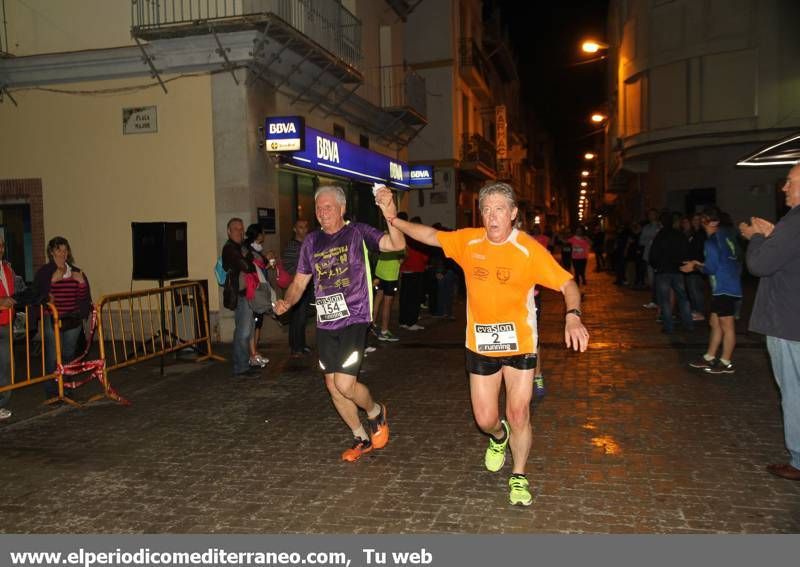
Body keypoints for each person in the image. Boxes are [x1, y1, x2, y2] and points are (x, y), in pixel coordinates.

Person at [387, 182, 589, 506]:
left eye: (499, 209)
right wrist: (393, 219)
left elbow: (568, 283)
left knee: (519, 411)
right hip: (481, 346)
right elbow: (429, 236)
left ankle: (519, 475)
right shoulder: (468, 241)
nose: (492, 216)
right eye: (486, 209)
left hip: (520, 344)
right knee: (485, 419)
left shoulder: (528, 249)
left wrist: (573, 316)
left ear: (512, 214)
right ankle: (499, 437)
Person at [274, 185, 404, 462]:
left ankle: (375, 412)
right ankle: (360, 437)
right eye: (318, 209)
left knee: (345, 384)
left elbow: (397, 245)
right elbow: (299, 283)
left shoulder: (357, 232)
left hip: (355, 317)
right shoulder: (311, 242)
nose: (322, 213)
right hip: (326, 321)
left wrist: (389, 212)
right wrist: (287, 301)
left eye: (328, 207)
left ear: (342, 209)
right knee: (332, 386)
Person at [740, 162, 800, 481]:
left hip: (789, 322)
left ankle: (799, 459)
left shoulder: (797, 220)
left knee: (793, 391)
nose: (784, 187)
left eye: (789, 181)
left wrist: (757, 237)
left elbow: (760, 265)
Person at [682, 206, 742, 374]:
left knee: (727, 326)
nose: (702, 225)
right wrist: (697, 263)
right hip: (726, 285)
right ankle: (709, 356)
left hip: (724, 287)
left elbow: (711, 268)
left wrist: (694, 266)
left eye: (704, 221)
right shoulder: (727, 237)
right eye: (702, 221)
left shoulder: (712, 241)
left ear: (714, 222)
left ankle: (726, 362)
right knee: (714, 323)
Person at [33, 236, 92, 399]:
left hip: (72, 320)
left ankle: (65, 387)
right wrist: (53, 280)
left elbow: (83, 297)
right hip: (52, 319)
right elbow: (40, 295)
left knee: (68, 355)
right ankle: (52, 391)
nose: (62, 253)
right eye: (59, 250)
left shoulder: (75, 271)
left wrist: (81, 284)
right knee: (52, 356)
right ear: (51, 252)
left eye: (65, 250)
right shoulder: (45, 272)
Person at [221, 218, 260, 378]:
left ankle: (244, 363)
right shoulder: (230, 248)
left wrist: (251, 261)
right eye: (235, 229)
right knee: (243, 332)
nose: (239, 231)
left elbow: (255, 260)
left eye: (241, 229)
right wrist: (250, 262)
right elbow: (247, 265)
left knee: (248, 330)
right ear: (229, 232)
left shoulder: (241, 247)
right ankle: (240, 367)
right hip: (240, 295)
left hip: (247, 293)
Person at [649, 211, 694, 334]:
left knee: (665, 300)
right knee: (683, 298)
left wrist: (656, 266)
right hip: (677, 270)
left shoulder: (660, 236)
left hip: (663, 271)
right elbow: (686, 251)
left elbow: (653, 255)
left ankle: (668, 326)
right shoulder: (679, 235)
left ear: (661, 223)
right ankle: (688, 324)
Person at [282, 219, 313, 358]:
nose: (304, 230)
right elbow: (288, 265)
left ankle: (301, 344)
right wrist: (299, 277)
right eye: (300, 227)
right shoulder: (292, 246)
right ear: (295, 229)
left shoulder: (307, 244)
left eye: (305, 227)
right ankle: (296, 347)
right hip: (296, 285)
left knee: (302, 317)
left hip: (306, 285)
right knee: (297, 317)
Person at [243, 223, 271, 368]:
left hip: (259, 287)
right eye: (263, 232)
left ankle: (255, 352)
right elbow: (257, 265)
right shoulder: (250, 250)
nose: (264, 235)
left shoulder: (256, 249)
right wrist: (266, 260)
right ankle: (252, 354)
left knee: (258, 322)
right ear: (258, 234)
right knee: (254, 322)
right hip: (254, 289)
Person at [398, 214, 429, 331]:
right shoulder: (418, 237)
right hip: (416, 269)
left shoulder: (405, 236)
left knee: (405, 297)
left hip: (405, 270)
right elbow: (423, 256)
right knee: (414, 298)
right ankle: (411, 322)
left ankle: (403, 321)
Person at [0, 236, 17, 419]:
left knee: (5, 366)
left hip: (5, 323)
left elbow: (12, 293)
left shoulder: (7, 268)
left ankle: (1, 402)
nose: (0, 249)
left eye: (2, 245)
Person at [372, 248, 403, 342]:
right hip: (390, 275)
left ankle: (372, 324)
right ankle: (384, 331)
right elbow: (401, 259)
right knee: (387, 304)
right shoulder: (399, 241)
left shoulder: (384, 235)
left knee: (377, 298)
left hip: (379, 271)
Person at [640, 208, 661, 308]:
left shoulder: (660, 226)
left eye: (653, 214)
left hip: (659, 257)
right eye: (649, 214)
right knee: (651, 280)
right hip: (649, 256)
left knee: (660, 280)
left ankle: (660, 300)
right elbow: (641, 241)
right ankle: (654, 300)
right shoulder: (646, 228)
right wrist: (649, 239)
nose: (651, 216)